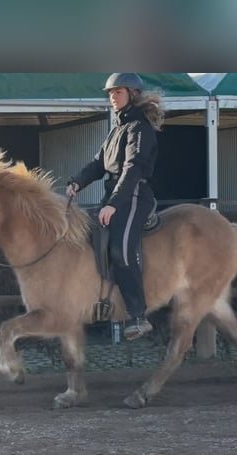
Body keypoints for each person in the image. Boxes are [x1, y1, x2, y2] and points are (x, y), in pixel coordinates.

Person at [66, 73, 165, 340]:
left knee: (120, 249)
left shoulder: (139, 128)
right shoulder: (117, 129)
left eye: (118, 92)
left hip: (134, 195)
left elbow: (132, 170)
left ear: (132, 94)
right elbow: (99, 164)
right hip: (115, 195)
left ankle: (137, 315)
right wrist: (77, 182)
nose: (112, 97)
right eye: (110, 93)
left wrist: (111, 205)